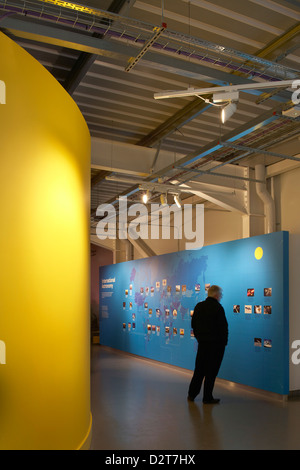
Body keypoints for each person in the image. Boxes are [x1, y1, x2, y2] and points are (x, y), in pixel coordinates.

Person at [188, 285, 228, 404]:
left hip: (203, 344)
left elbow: (193, 325)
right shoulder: (218, 308)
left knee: (199, 370)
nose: (220, 297)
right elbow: (223, 328)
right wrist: (223, 343)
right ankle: (207, 397)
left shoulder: (199, 306)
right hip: (216, 346)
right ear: (216, 295)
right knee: (211, 372)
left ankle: (192, 394)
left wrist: (199, 338)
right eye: (220, 295)